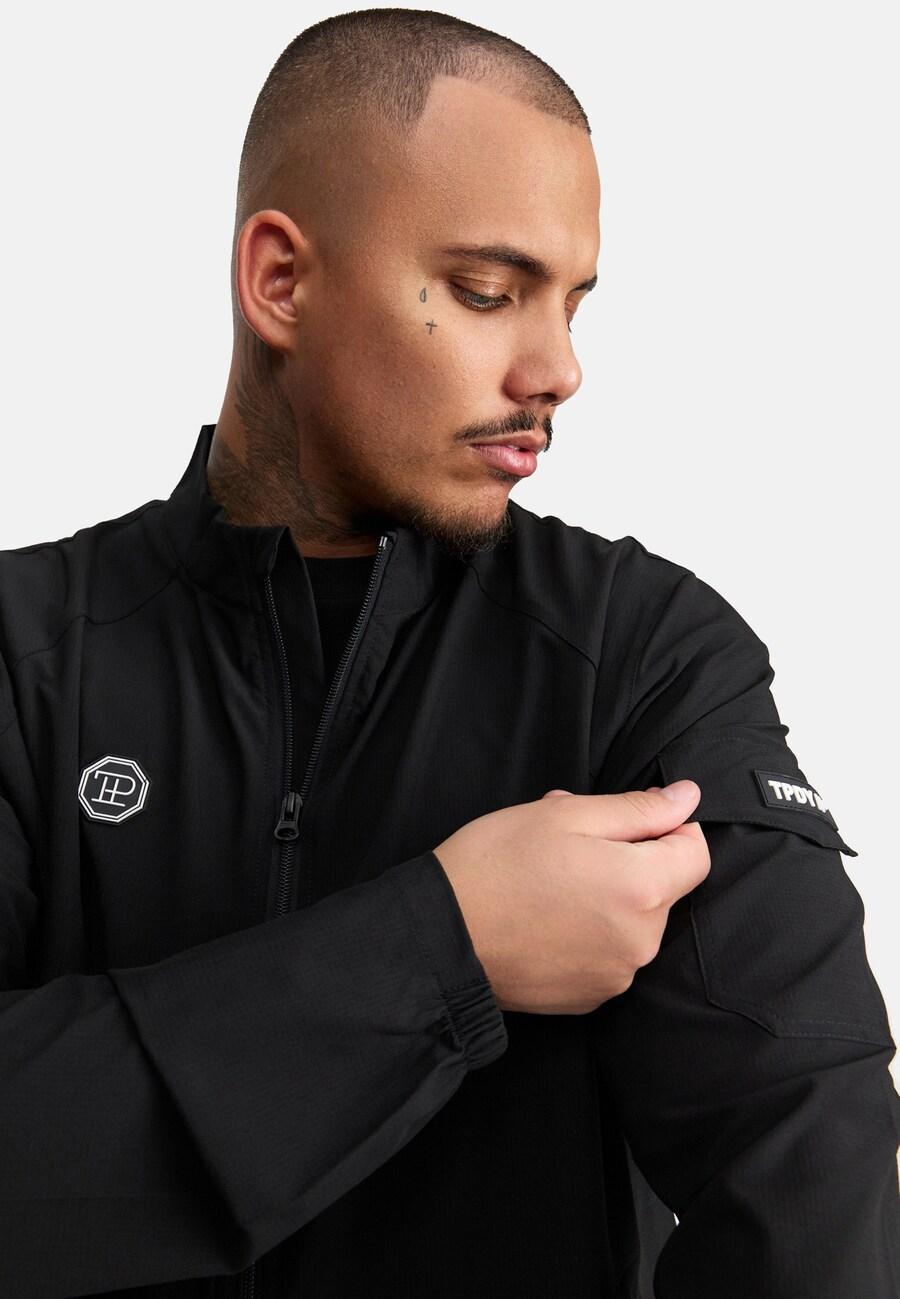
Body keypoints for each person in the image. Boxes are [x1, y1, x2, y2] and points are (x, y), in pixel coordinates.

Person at [0, 8, 896, 1297]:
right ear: (281, 282)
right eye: (488, 291)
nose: (561, 368)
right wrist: (447, 943)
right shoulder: (27, 657)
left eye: (572, 303)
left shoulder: (638, 654)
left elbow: (811, 1178)